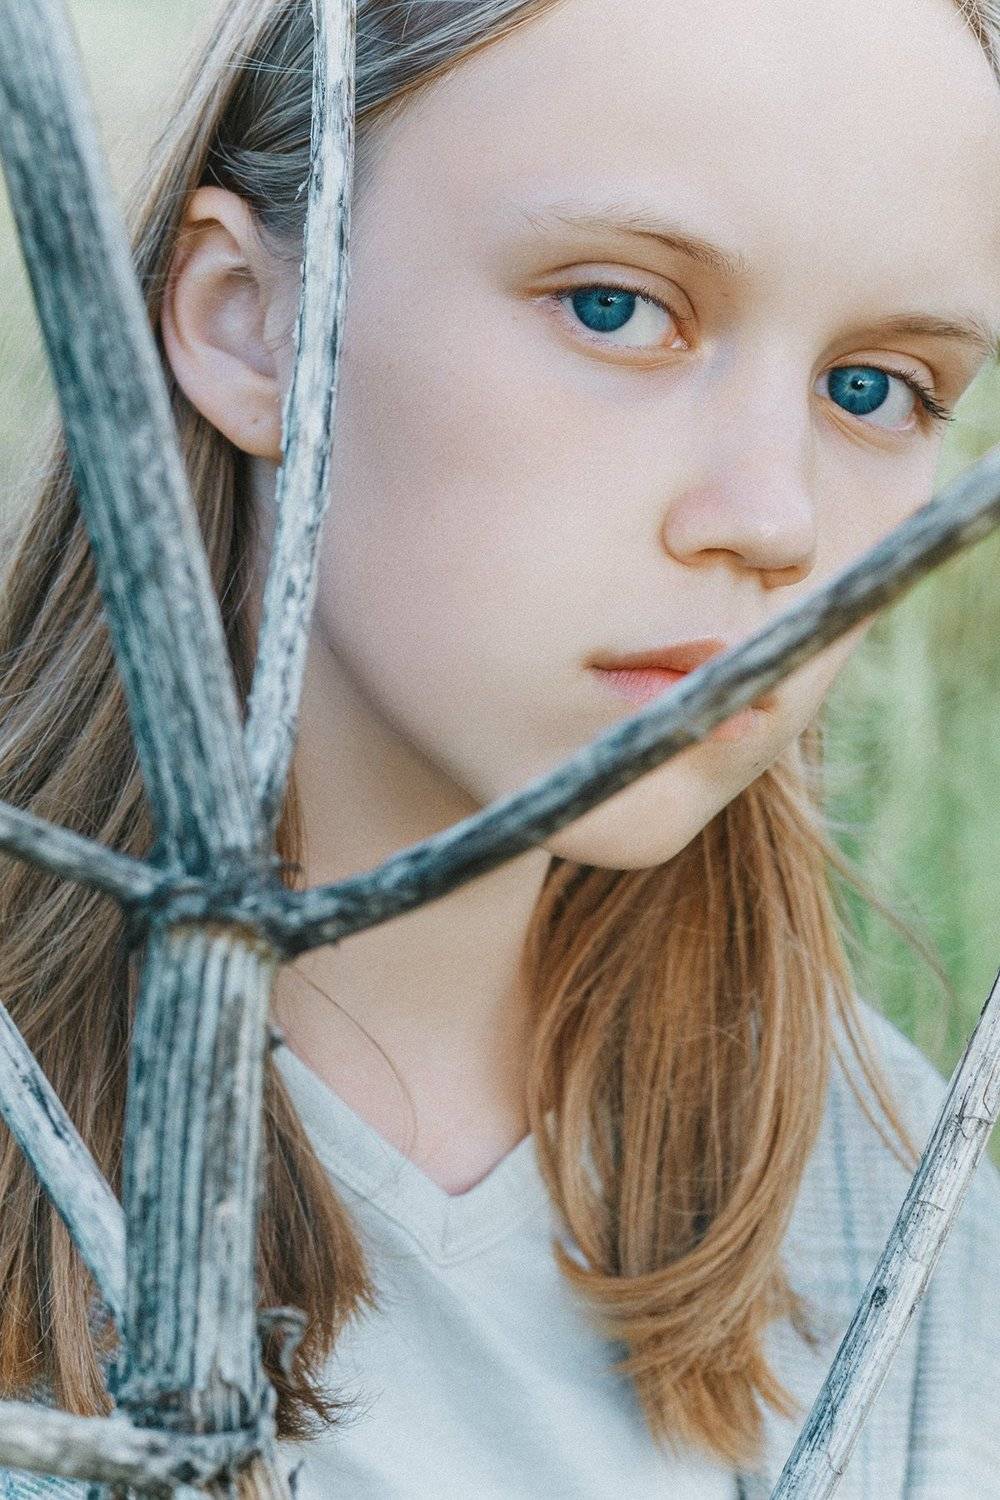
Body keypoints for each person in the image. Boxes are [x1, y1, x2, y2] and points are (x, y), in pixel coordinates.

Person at [1, 0, 1000, 1495]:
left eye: (876, 389)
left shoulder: (891, 1197)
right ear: (246, 319)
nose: (773, 519)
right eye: (615, 308)